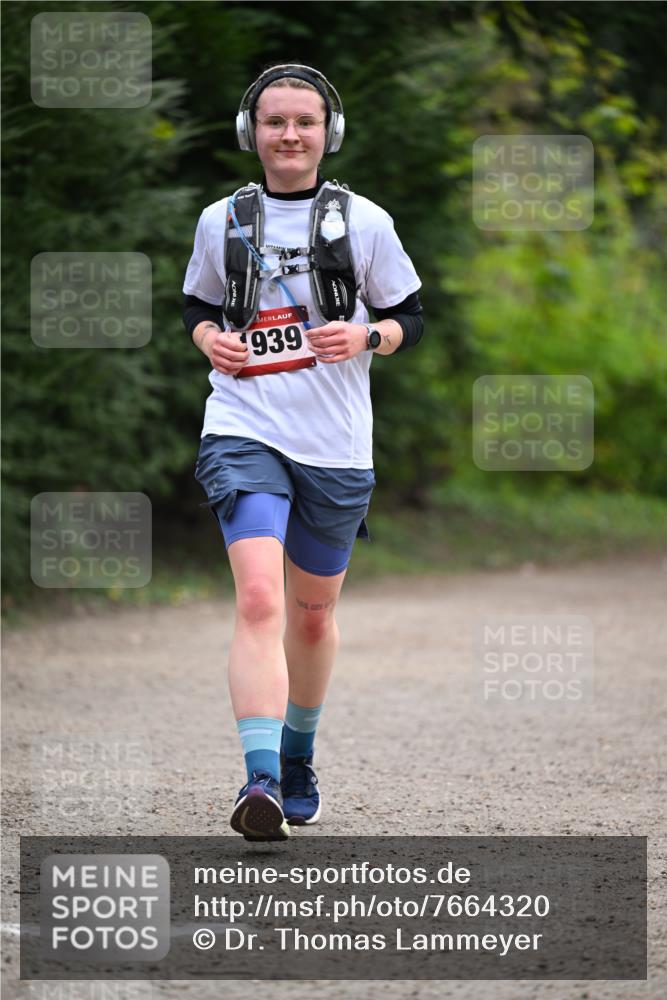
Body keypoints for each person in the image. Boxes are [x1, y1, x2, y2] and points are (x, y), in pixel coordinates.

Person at [183, 63, 423, 841]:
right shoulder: (222, 219)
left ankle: (295, 757)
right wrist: (207, 338)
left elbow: (409, 317)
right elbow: (196, 303)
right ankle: (256, 781)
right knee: (258, 599)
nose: (289, 134)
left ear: (329, 133)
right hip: (244, 426)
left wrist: (366, 335)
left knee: (312, 618)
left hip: (335, 445)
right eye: (275, 121)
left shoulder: (367, 223)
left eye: (305, 122)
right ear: (250, 131)